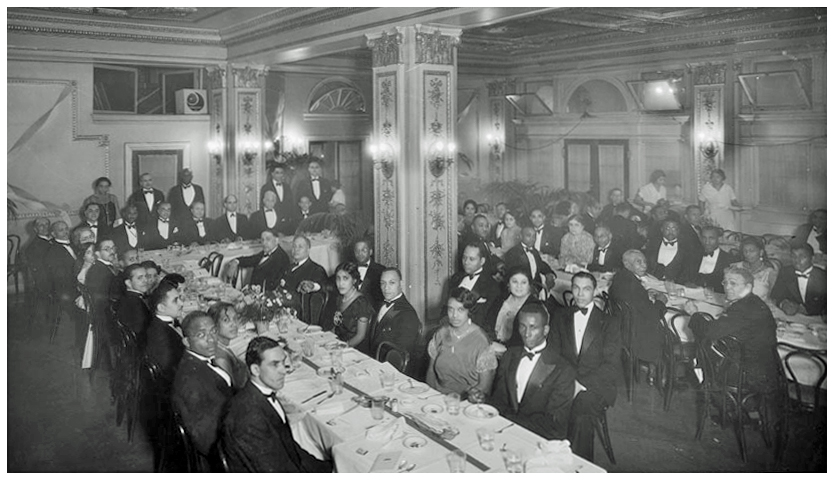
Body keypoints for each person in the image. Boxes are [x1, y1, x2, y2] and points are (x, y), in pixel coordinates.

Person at [220, 337, 333, 473]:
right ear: (255, 370)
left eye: (283, 363)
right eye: (274, 364)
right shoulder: (248, 417)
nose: (284, 371)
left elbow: (290, 449)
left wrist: (328, 468)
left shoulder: (263, 393)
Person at [548, 272, 621, 462]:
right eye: (576, 288)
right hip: (565, 380)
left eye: (586, 289)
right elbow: (553, 354)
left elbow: (611, 366)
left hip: (595, 385)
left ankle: (581, 467)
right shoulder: (560, 316)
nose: (580, 294)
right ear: (571, 289)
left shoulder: (610, 323)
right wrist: (564, 382)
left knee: (580, 414)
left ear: (595, 291)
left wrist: (580, 384)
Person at [487, 303, 575, 440]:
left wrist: (511, 421)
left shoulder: (563, 370)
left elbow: (554, 424)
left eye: (533, 327)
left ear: (546, 330)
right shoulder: (510, 355)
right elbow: (500, 399)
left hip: (538, 439)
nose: (526, 333)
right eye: (522, 326)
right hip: (503, 432)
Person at [686, 267, 779, 393]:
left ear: (748, 287)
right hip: (760, 366)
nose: (727, 287)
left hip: (749, 374)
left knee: (703, 348)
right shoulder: (753, 302)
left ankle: (712, 393)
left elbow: (710, 332)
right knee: (707, 349)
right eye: (725, 282)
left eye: (733, 283)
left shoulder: (743, 308)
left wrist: (694, 313)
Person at [171, 311, 233, 469]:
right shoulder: (192, 382)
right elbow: (207, 441)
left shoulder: (196, 362)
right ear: (186, 341)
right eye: (201, 335)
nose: (211, 340)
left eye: (213, 331)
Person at [426, 288, 497, 399]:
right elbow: (431, 371)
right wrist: (432, 396)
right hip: (438, 396)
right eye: (450, 309)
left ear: (469, 311)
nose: (454, 315)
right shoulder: (441, 333)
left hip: (466, 401)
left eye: (460, 310)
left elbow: (484, 386)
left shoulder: (481, 341)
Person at [608, 250, 667, 384]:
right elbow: (653, 315)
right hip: (635, 335)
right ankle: (659, 370)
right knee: (668, 333)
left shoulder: (620, 277)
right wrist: (661, 301)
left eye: (644, 261)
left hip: (622, 327)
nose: (644, 266)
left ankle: (650, 367)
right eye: (638, 262)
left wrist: (644, 294)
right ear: (627, 264)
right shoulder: (633, 284)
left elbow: (632, 297)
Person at [368, 268, 422, 376]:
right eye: (382, 283)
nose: (386, 288)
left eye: (391, 283)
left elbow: (401, 355)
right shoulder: (380, 305)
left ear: (400, 284)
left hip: (391, 372)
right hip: (374, 362)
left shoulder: (407, 314)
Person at [483, 267, 541, 346]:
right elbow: (487, 324)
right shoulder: (500, 299)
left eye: (523, 282)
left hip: (515, 351)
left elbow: (529, 339)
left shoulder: (535, 307)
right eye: (514, 282)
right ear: (508, 284)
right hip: (492, 345)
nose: (519, 286)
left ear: (529, 285)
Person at [449, 243, 501, 330]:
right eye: (464, 258)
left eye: (471, 259)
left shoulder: (492, 285)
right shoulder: (455, 279)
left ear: (482, 261)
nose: (466, 262)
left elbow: (490, 320)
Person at [45, 221, 81, 343]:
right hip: (66, 288)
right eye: (61, 230)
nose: (66, 232)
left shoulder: (75, 245)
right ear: (53, 234)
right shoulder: (52, 251)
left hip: (76, 282)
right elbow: (61, 278)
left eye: (66, 229)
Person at [144, 281, 185, 388]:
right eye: (176, 300)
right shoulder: (162, 339)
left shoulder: (156, 323)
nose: (182, 303)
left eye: (180, 298)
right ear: (161, 308)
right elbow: (172, 374)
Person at [328, 262, 374, 355]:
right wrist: (326, 338)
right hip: (339, 345)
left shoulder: (361, 303)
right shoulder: (340, 298)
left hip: (355, 350)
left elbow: (360, 336)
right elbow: (338, 326)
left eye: (345, 278)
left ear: (354, 280)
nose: (341, 283)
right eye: (338, 278)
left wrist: (342, 348)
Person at [771, 243, 826, 316]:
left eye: (802, 257)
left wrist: (807, 310)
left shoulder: (824, 276)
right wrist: (783, 304)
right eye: (794, 256)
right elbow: (776, 294)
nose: (797, 260)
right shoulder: (785, 272)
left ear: (812, 259)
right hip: (795, 317)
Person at [503, 227, 556, 299]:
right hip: (521, 291)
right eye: (528, 236)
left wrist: (549, 273)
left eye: (534, 236)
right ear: (521, 236)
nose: (533, 239)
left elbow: (540, 264)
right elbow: (511, 275)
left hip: (536, 289)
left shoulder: (534, 252)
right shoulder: (513, 253)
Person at [644, 219, 699, 284]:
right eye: (667, 228)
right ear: (662, 229)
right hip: (654, 282)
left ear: (679, 230)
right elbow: (648, 264)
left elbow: (689, 269)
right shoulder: (652, 245)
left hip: (678, 284)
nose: (671, 232)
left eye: (674, 229)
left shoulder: (687, 247)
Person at [209, 302, 249, 390]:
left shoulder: (221, 346)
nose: (233, 324)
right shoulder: (220, 359)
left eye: (235, 318)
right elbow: (232, 391)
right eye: (226, 320)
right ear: (214, 325)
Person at [729, 236, 777, 304]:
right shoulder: (735, 267)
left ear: (761, 252)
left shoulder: (769, 273)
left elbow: (774, 298)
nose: (748, 254)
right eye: (745, 251)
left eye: (752, 251)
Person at [23, 217, 52, 323]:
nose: (45, 227)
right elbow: (41, 274)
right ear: (35, 229)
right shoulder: (32, 248)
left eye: (46, 224)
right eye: (41, 225)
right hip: (47, 282)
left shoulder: (53, 240)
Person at [691, 226, 736, 293]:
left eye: (711, 238)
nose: (707, 242)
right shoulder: (693, 255)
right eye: (704, 238)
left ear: (719, 239)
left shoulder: (728, 259)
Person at [115, 263, 151, 338]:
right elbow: (141, 332)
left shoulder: (127, 298)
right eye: (140, 278)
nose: (145, 280)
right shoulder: (136, 304)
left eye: (146, 276)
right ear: (128, 283)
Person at [260, 164, 295, 234]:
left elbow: (291, 204)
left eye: (281, 173)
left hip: (287, 225)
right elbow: (262, 206)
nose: (280, 175)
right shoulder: (266, 187)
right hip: (273, 224)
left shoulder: (287, 187)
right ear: (272, 174)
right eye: (277, 173)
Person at [353, 239, 385, 309]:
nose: (360, 253)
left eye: (363, 250)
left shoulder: (380, 270)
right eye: (357, 251)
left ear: (370, 252)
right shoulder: (350, 269)